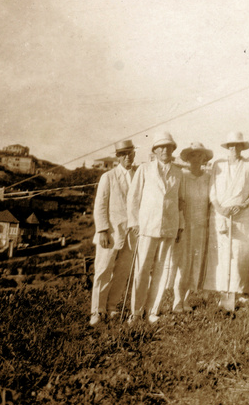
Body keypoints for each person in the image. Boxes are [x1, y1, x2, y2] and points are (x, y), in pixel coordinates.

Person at [127, 132, 185, 323]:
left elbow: (181, 201)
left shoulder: (178, 172)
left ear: (173, 149)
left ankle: (153, 311)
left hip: (169, 226)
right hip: (147, 225)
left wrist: (180, 226)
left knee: (161, 269)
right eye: (160, 147)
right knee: (142, 268)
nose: (165, 150)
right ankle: (135, 312)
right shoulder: (144, 169)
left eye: (168, 147)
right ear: (155, 151)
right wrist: (134, 222)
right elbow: (133, 197)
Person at [203, 131, 249, 311]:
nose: (234, 148)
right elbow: (212, 190)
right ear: (227, 147)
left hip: (241, 216)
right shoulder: (217, 165)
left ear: (243, 147)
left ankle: (240, 291)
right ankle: (222, 291)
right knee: (222, 255)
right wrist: (220, 208)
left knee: (239, 254)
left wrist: (243, 205)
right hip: (220, 214)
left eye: (237, 145)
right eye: (231, 145)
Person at [90, 140, 137, 326]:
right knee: (103, 271)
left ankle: (111, 308)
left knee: (122, 272)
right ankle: (97, 311)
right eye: (123, 154)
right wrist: (102, 229)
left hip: (131, 233)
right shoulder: (108, 177)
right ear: (117, 157)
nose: (128, 157)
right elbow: (100, 205)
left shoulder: (138, 175)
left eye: (130, 153)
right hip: (110, 233)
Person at [170, 142, 213, 313]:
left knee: (196, 263)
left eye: (200, 156)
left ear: (204, 159)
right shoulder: (182, 176)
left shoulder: (208, 177)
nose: (196, 159)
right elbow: (178, 201)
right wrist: (180, 224)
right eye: (193, 156)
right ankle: (177, 300)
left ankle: (186, 299)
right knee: (183, 262)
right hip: (185, 226)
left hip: (201, 226)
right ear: (188, 158)